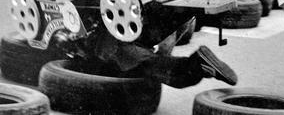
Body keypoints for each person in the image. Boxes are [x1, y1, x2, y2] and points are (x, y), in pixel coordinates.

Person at [93, 28, 237, 88]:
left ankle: (197, 64)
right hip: (145, 33)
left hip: (111, 43)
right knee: (149, 62)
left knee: (148, 66)